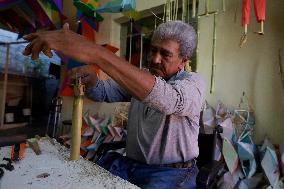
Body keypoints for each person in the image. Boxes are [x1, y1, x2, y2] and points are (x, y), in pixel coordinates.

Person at [23, 20, 205, 189]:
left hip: (171, 173)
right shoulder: (143, 78)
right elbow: (104, 92)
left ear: (184, 60)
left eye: (165, 54)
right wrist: (92, 80)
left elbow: (168, 100)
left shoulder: (193, 83)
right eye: (153, 50)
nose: (155, 59)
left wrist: (95, 52)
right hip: (132, 165)